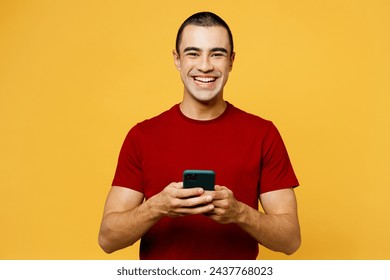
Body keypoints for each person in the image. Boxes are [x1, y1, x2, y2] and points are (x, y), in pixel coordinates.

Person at [98, 11, 301, 260]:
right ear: (177, 59)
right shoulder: (142, 136)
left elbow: (290, 239)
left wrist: (239, 212)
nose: (205, 66)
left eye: (217, 54)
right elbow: (107, 239)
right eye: (193, 53)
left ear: (231, 62)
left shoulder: (263, 134)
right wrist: (157, 206)